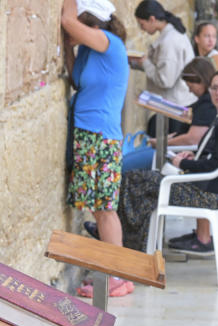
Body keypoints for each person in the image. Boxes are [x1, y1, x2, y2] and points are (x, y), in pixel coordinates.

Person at [118, 69, 218, 255]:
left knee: (135, 180)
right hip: (205, 187)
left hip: (206, 195)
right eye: (214, 88)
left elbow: (217, 166)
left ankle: (123, 241)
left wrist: (183, 164)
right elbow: (215, 156)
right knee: (139, 179)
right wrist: (193, 157)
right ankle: (128, 239)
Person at [61, 0, 133, 297]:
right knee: (97, 207)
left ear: (92, 24)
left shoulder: (110, 43)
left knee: (105, 209)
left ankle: (117, 276)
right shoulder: (90, 51)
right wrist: (67, 46)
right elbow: (75, 77)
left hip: (102, 136)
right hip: (87, 135)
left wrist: (69, 7)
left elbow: (67, 20)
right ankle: (112, 273)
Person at [121, 57, 218, 172]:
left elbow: (192, 139)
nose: (190, 91)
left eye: (190, 87)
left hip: (175, 154)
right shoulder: (205, 103)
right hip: (172, 150)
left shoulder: (207, 105)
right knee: (126, 160)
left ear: (201, 81)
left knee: (123, 166)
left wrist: (161, 143)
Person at [131, 0, 196, 136]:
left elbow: (165, 80)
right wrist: (138, 64)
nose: (141, 29)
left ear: (152, 19)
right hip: (176, 103)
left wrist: (145, 63)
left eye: (142, 24)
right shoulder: (171, 34)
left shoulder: (169, 41)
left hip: (175, 106)